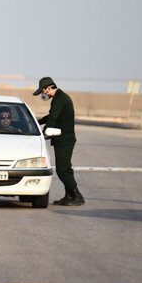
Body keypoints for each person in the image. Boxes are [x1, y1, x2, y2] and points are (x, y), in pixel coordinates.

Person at [33, 76, 85, 206]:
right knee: (66, 168)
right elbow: (51, 116)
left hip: (64, 140)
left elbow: (53, 119)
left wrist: (44, 132)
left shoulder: (59, 99)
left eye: (43, 91)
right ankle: (69, 196)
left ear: (49, 88)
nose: (43, 94)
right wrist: (36, 122)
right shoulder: (59, 98)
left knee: (62, 170)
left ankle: (77, 195)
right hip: (63, 138)